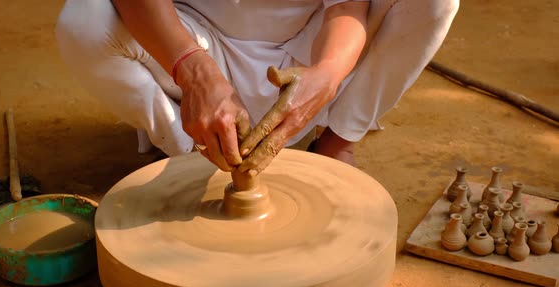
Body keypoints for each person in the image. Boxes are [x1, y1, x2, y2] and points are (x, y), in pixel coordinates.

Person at [56, 0, 459, 175]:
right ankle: (186, 155)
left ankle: (336, 143)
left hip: (299, 52)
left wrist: (328, 73)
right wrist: (193, 70)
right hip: (185, 42)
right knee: (83, 19)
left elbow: (347, 6)